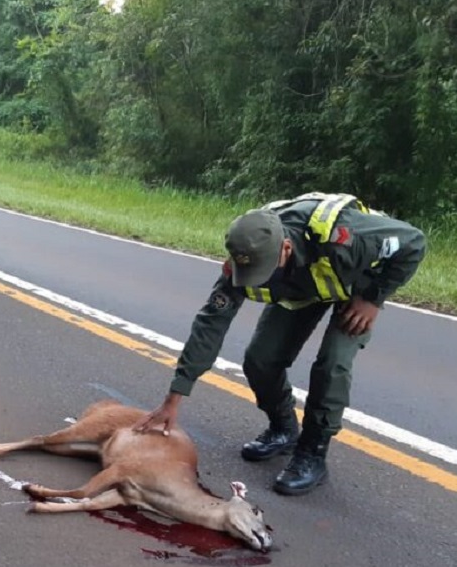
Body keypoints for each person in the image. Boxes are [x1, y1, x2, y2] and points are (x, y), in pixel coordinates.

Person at [135, 192, 427, 495]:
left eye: (262, 272)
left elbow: (414, 242)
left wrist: (373, 298)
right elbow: (210, 325)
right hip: (304, 288)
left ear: (286, 248)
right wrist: (174, 398)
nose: (255, 280)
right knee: (260, 359)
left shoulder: (346, 236)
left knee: (332, 364)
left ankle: (312, 453)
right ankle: (284, 429)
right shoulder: (246, 253)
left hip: (354, 282)